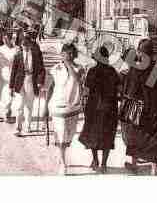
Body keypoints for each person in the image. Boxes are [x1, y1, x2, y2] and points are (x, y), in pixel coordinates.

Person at [121, 38, 157, 176]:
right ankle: (153, 169)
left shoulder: (135, 69)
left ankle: (134, 164)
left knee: (135, 135)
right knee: (155, 138)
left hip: (138, 111)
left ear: (140, 52)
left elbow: (129, 91)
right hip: (156, 110)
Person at [78, 46, 120, 173]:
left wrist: (83, 103)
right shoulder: (113, 71)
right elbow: (119, 90)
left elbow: (86, 91)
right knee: (107, 136)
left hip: (93, 108)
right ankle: (104, 164)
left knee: (93, 135)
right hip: (109, 108)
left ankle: (95, 161)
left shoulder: (92, 71)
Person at [46, 43, 85, 175]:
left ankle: (61, 153)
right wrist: (46, 106)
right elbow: (50, 87)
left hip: (73, 108)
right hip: (57, 107)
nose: (67, 56)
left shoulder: (79, 68)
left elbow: (76, 79)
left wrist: (68, 64)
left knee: (69, 136)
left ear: (73, 55)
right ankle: (63, 163)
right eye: (64, 53)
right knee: (61, 135)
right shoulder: (56, 69)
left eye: (69, 53)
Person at [9, 31, 45, 136]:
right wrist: (11, 87)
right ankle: (18, 127)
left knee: (29, 105)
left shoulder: (36, 54)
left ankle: (28, 126)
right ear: (21, 45)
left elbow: (41, 70)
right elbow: (13, 72)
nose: (25, 47)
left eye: (27, 45)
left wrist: (40, 82)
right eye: (23, 45)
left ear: (30, 44)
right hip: (20, 82)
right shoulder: (18, 55)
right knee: (19, 105)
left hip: (31, 80)